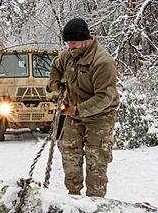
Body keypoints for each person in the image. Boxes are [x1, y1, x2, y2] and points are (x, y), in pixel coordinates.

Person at [48, 17, 119, 197]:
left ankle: (95, 205)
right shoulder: (69, 55)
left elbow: (104, 97)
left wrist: (77, 110)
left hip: (100, 117)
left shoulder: (102, 62)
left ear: (86, 39)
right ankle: (73, 198)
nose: (70, 47)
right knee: (69, 154)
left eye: (73, 42)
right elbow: (55, 67)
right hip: (74, 114)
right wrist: (56, 84)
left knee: (96, 161)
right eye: (67, 43)